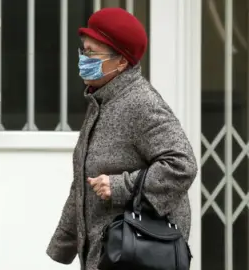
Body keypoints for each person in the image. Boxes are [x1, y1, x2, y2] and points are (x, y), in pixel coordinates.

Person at [46, 7, 198, 270]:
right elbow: (84, 183)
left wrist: (120, 187)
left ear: (121, 62)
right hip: (110, 252)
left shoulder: (141, 103)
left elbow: (182, 165)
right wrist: (64, 245)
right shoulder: (102, 101)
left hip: (138, 253)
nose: (84, 59)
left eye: (92, 53)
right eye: (83, 51)